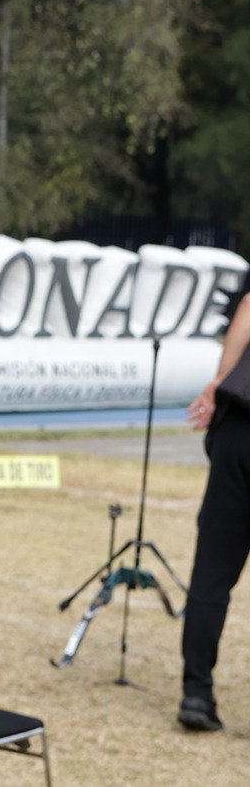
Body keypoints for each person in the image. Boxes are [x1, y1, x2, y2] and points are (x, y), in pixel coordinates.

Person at [180, 287, 250, 732]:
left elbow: (248, 308)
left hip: (240, 428)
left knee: (212, 572)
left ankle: (196, 694)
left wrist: (219, 383)